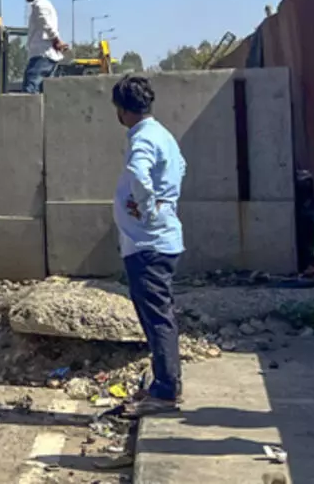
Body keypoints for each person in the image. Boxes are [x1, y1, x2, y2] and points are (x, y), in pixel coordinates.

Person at [110, 75, 187, 419]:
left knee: (157, 319)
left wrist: (145, 204)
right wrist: (161, 202)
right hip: (162, 239)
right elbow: (181, 167)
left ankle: (166, 390)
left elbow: (140, 174)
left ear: (123, 110)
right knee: (161, 314)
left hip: (148, 243)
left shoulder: (141, 138)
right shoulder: (164, 135)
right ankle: (164, 384)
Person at [19, 0, 67, 93]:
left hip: (42, 54)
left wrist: (56, 40)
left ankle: (31, 112)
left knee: (30, 88)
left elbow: (46, 24)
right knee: (39, 89)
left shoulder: (40, 5)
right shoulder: (43, 4)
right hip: (44, 54)